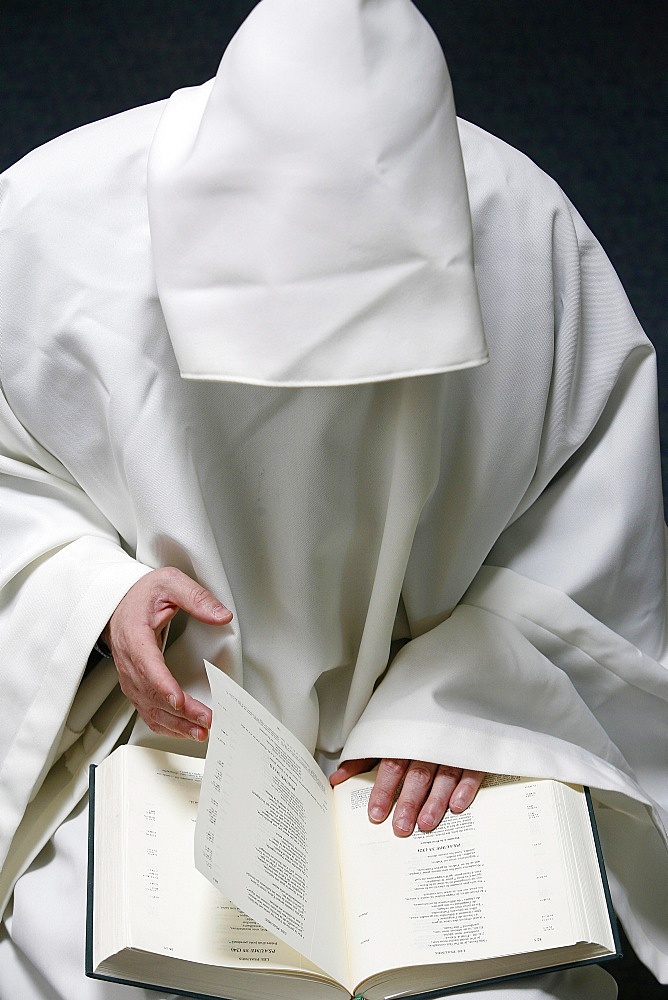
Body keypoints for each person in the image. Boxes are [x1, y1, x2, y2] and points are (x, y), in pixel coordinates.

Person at [0, 0, 666, 997]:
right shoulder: (56, 222)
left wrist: (463, 711)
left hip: (423, 765)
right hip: (156, 743)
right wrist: (98, 599)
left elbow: (582, 545)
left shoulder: (522, 232)